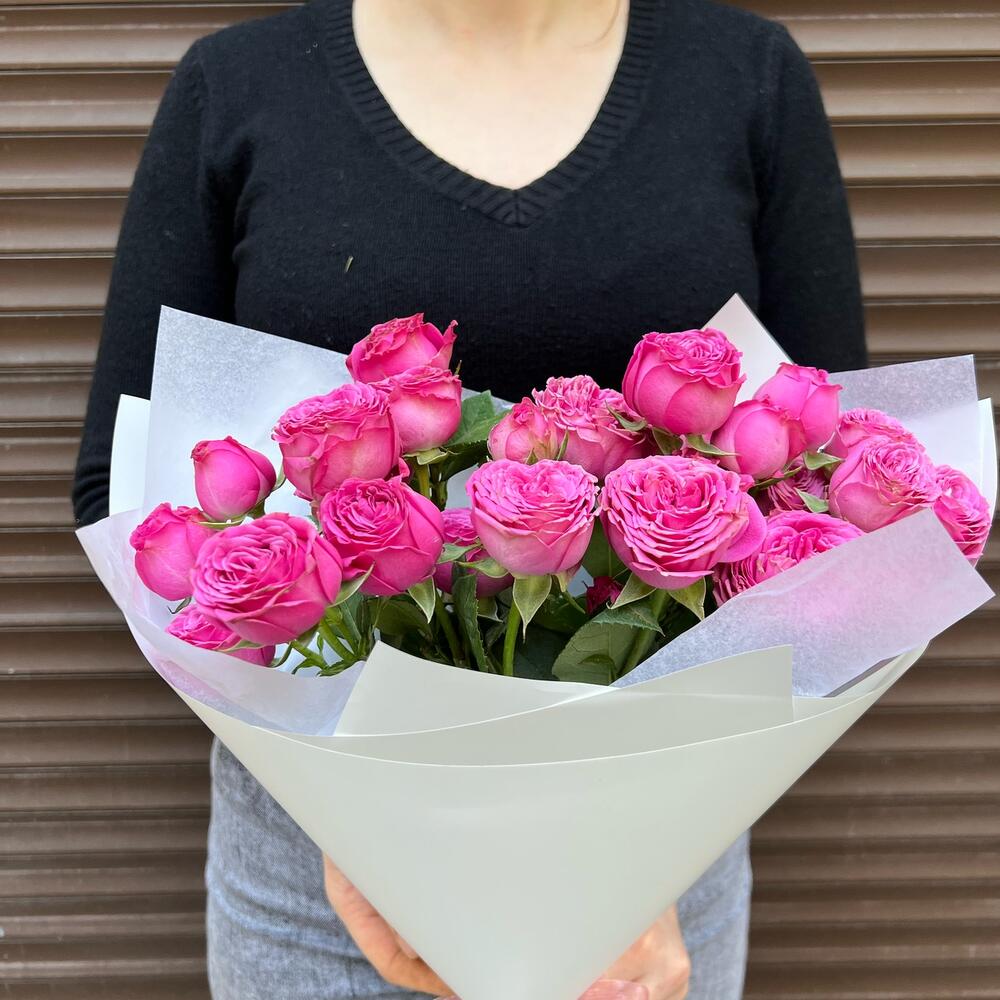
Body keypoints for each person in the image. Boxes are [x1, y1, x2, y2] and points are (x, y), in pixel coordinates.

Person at [72, 0, 867, 997]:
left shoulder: (745, 77)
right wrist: (363, 821)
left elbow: (826, 475)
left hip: (651, 892)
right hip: (325, 890)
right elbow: (122, 486)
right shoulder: (238, 88)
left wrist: (643, 846)